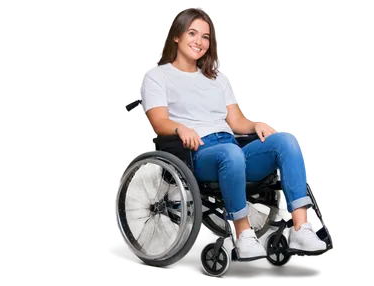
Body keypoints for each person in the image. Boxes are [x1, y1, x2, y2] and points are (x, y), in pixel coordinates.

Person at [139, 6, 326, 259]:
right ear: (176, 35)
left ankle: (301, 227)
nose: (199, 42)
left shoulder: (216, 78)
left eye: (205, 37)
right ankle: (242, 233)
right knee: (230, 153)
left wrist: (255, 125)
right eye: (192, 33)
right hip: (195, 153)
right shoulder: (157, 76)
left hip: (232, 149)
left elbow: (236, 121)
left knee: (286, 140)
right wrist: (180, 127)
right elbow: (159, 121)